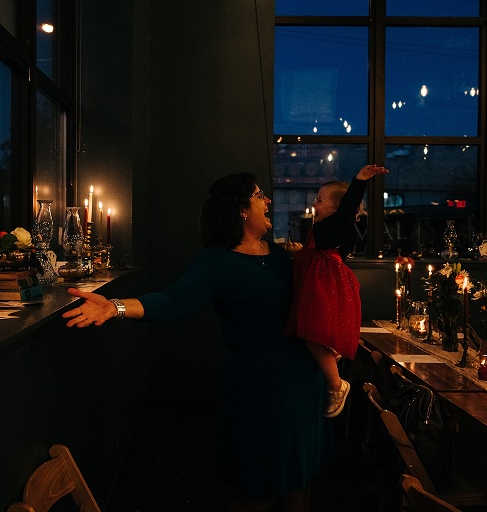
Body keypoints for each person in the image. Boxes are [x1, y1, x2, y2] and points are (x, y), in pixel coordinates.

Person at [63, 173, 334, 512]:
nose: (268, 201)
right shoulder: (217, 262)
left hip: (303, 382)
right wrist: (115, 306)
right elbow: (173, 301)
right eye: (259, 195)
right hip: (262, 388)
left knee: (300, 477)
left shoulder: (278, 255)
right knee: (258, 486)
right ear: (240, 210)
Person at [285, 164, 388, 419]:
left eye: (320, 200)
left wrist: (360, 180)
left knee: (313, 334)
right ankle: (331, 355)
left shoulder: (337, 226)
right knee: (312, 333)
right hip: (316, 285)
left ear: (337, 208)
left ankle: (336, 385)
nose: (315, 204)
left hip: (325, 286)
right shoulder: (323, 229)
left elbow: (347, 209)